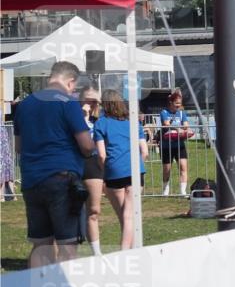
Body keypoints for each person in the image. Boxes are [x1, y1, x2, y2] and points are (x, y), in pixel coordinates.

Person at [13, 61, 95, 267]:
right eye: (74, 87)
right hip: (63, 179)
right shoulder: (67, 102)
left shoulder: (25, 104)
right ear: (70, 82)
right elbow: (86, 146)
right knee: (68, 245)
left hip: (32, 180)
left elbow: (19, 147)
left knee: (41, 245)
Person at [94, 90, 148, 250]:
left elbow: (102, 155)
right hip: (135, 172)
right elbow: (144, 150)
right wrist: (138, 165)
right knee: (129, 216)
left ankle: (127, 252)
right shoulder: (133, 122)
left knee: (124, 216)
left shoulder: (100, 123)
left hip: (113, 172)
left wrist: (104, 171)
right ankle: (127, 252)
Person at [79, 87, 104, 255]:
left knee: (93, 210)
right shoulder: (73, 117)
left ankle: (97, 253)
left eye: (94, 101)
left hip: (93, 164)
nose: (90, 103)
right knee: (69, 209)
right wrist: (82, 116)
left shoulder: (100, 120)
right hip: (73, 163)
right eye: (87, 99)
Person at [160, 90, 191, 196]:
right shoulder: (164, 112)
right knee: (167, 169)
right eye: (176, 103)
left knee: (183, 167)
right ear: (171, 102)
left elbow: (186, 124)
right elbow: (166, 124)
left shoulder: (182, 113)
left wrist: (184, 128)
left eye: (180, 103)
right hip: (166, 145)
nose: (179, 105)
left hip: (180, 144)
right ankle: (165, 189)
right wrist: (178, 128)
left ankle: (183, 191)